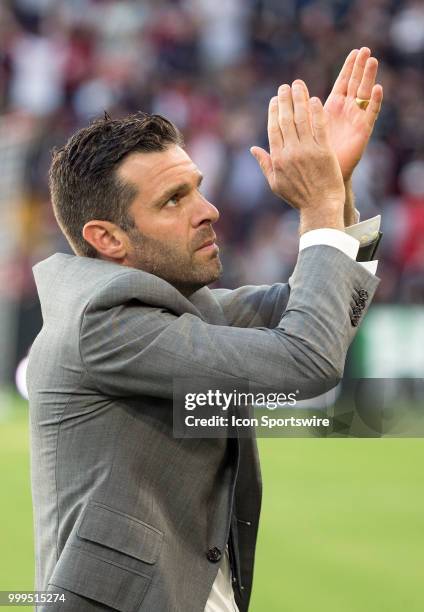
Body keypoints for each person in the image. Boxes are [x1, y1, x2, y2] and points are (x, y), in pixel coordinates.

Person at [27, 48, 383, 612]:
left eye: (196, 186)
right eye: (175, 200)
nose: (209, 209)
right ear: (108, 239)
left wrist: (334, 191)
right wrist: (316, 205)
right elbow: (307, 362)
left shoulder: (162, 310)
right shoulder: (104, 322)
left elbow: (322, 307)